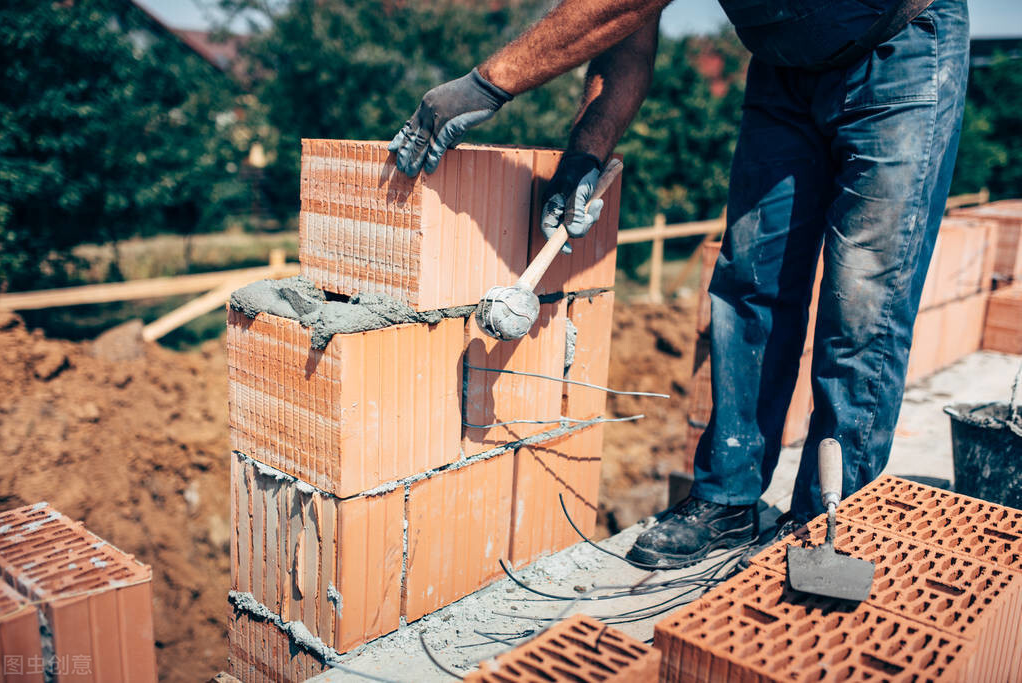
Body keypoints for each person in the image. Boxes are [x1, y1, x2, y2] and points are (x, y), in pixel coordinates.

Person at [389, 0, 969, 568]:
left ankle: (826, 524)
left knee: (864, 304)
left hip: (900, 46)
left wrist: (487, 84)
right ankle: (728, 499)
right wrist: (585, 154)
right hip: (785, 69)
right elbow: (626, 31)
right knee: (749, 283)